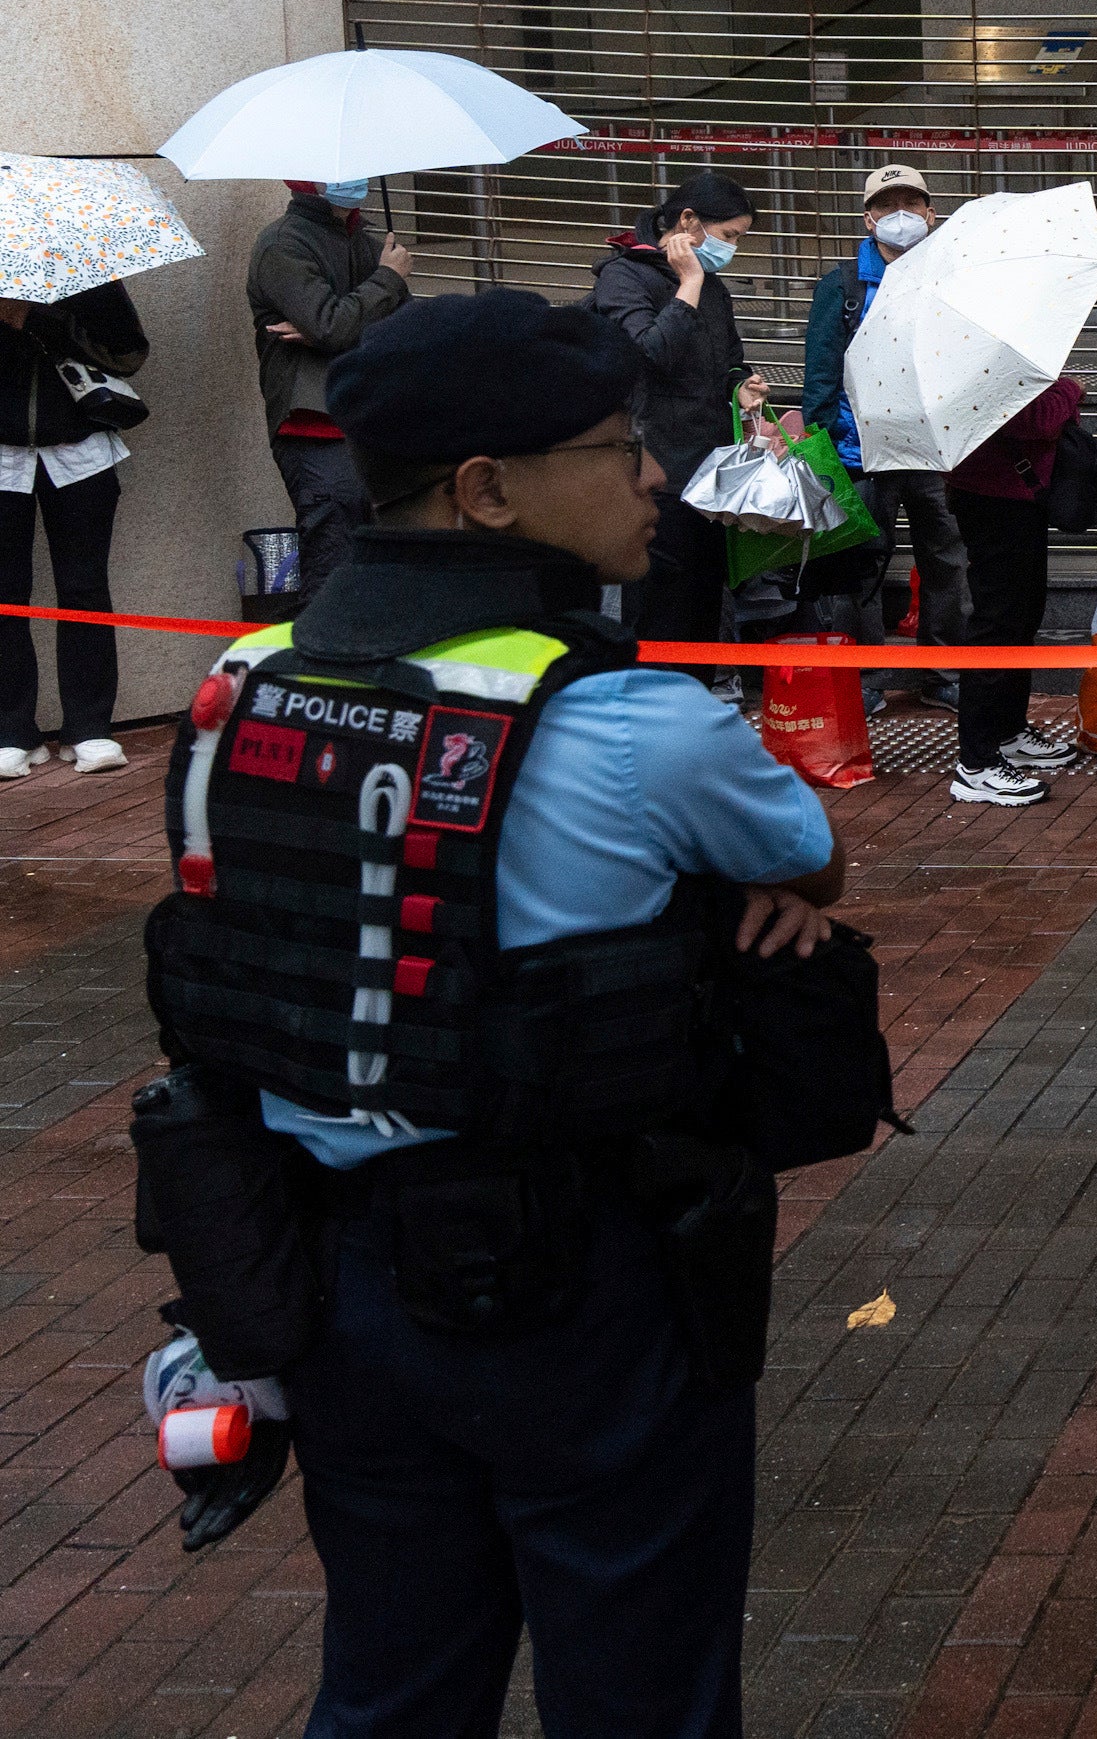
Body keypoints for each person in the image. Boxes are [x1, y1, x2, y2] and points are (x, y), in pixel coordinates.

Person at [139, 289, 847, 1739]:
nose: (656, 472)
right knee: (641, 1697)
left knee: (393, 1687)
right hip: (589, 1297)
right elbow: (803, 855)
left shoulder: (235, 688)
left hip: (330, 1295)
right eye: (615, 443)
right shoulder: (634, 725)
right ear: (486, 491)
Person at [801, 162, 969, 712]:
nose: (901, 215)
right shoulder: (842, 286)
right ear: (869, 217)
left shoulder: (947, 279)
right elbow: (820, 375)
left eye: (911, 204)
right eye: (887, 205)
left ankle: (941, 670)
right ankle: (866, 676)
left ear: (930, 212)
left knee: (944, 557)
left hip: (931, 449)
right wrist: (831, 446)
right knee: (863, 564)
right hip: (862, 451)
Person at [588, 169, 766, 656]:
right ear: (688, 221)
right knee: (656, 613)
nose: (733, 249)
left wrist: (741, 386)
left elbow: (729, 361)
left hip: (708, 478)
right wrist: (688, 283)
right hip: (654, 475)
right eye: (729, 236)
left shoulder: (714, 289)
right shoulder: (624, 276)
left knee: (701, 612)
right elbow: (646, 355)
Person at [0, 281, 148, 778]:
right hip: (2, 455)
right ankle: (11, 730)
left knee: (85, 587)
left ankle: (88, 727)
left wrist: (40, 320)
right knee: (5, 592)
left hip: (81, 452)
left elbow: (129, 353)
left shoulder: (84, 271)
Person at [249, 179, 413, 591]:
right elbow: (332, 325)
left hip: (372, 418)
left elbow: (404, 330)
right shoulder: (282, 244)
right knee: (332, 561)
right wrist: (386, 282)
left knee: (383, 565)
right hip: (313, 422)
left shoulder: (372, 242)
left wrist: (337, 325)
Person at [942, 372, 1086, 807]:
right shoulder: (985, 355)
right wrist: (1069, 389)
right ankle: (977, 765)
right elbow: (1034, 421)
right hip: (994, 497)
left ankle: (1007, 732)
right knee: (997, 623)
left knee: (1021, 616)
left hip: (1014, 495)